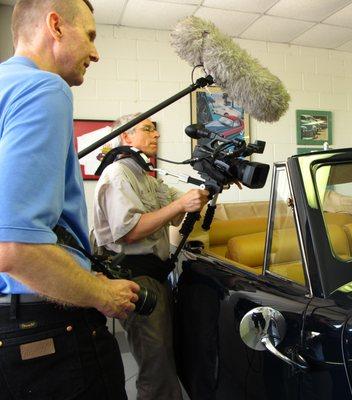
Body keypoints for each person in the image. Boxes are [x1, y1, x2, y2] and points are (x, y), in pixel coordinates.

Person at [0, 1, 140, 399]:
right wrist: (102, 295)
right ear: (56, 26)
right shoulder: (44, 87)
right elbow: (14, 248)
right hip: (44, 330)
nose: (96, 53)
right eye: (91, 36)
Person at [92, 113, 210, 400]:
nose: (156, 135)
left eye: (156, 130)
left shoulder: (145, 177)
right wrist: (181, 203)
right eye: (147, 129)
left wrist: (211, 187)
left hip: (155, 276)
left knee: (163, 359)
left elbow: (175, 212)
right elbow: (129, 232)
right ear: (126, 137)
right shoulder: (118, 175)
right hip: (134, 279)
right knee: (155, 367)